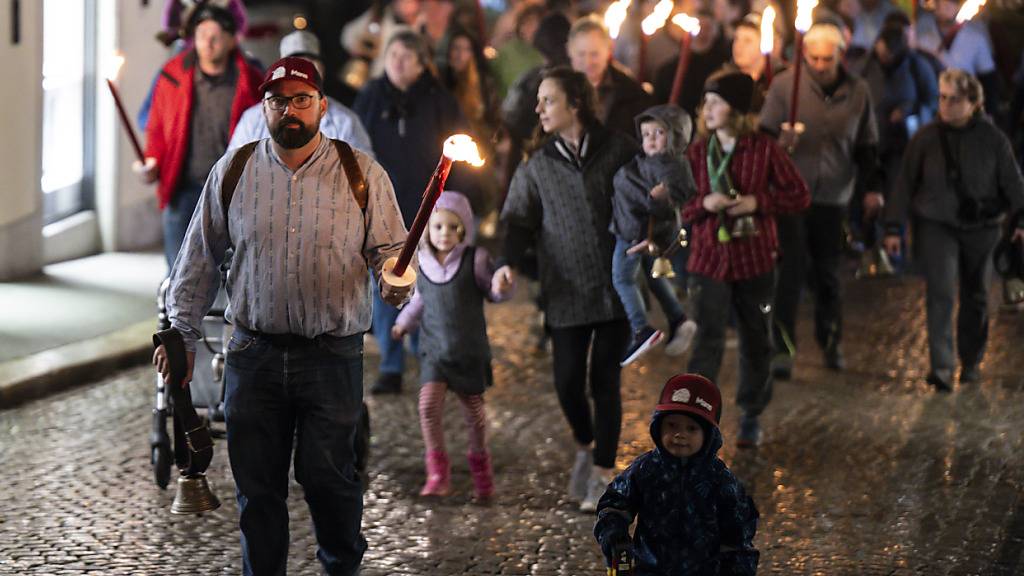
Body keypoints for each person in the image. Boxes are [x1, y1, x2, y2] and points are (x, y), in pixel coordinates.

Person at [152, 57, 412, 576]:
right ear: (262, 107)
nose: (288, 110)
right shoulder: (235, 171)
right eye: (277, 101)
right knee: (258, 490)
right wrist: (179, 333)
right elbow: (197, 260)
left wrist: (396, 278)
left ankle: (341, 566)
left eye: (300, 100)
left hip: (331, 357)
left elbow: (392, 254)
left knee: (330, 480)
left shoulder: (362, 174)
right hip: (253, 356)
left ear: (321, 105)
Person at [495, 67, 636, 513]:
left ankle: (602, 471)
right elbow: (517, 219)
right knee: (568, 381)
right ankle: (584, 440)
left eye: (548, 100)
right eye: (538, 101)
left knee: (605, 381)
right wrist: (507, 263)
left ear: (576, 103)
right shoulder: (536, 165)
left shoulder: (618, 150)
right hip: (566, 288)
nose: (539, 109)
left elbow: (651, 194)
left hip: (616, 286)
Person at [684, 72, 810, 447]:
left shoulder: (764, 149)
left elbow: (799, 195)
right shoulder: (696, 152)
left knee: (756, 336)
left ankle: (751, 411)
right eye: (705, 102)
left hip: (755, 257)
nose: (707, 110)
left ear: (736, 110)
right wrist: (703, 204)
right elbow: (678, 206)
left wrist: (759, 203)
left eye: (716, 103)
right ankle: (696, 415)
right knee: (708, 338)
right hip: (709, 260)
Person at [883, 69, 1024, 392]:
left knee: (975, 293)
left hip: (982, 228)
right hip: (937, 224)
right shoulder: (926, 138)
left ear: (974, 103)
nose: (945, 105)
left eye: (954, 99)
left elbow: (1013, 183)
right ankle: (942, 367)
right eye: (942, 98)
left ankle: (971, 360)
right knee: (941, 292)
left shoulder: (993, 139)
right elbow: (905, 182)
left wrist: (1021, 221)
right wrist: (894, 226)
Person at [758, 22, 882, 379]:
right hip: (790, 195)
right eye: (813, 58)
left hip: (834, 194)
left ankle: (830, 338)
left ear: (840, 55)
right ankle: (782, 347)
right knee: (791, 271)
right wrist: (780, 145)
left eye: (827, 59)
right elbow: (763, 138)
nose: (820, 65)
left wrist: (872, 187)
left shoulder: (858, 91)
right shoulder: (785, 85)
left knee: (828, 272)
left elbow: (866, 145)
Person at [354, 31, 469, 395]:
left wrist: (457, 204)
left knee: (430, 287)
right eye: (393, 54)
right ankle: (391, 363)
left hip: (430, 210)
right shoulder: (371, 97)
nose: (398, 62)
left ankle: (429, 361)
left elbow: (459, 150)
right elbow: (354, 149)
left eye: (407, 56)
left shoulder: (439, 100)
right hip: (382, 210)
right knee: (388, 282)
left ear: (422, 64)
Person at [392, 191, 513, 500]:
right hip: (434, 353)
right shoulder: (422, 264)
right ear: (427, 230)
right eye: (438, 227)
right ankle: (437, 473)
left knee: (474, 416)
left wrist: (500, 287)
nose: (445, 234)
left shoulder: (476, 260)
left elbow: (493, 292)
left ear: (464, 230)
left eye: (452, 227)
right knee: (428, 407)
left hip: (468, 352)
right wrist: (403, 324)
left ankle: (481, 472)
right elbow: (419, 301)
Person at [135, 4, 263, 269]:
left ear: (231, 39)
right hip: (183, 189)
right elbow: (157, 130)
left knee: (232, 273)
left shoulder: (251, 81)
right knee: (180, 273)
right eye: (202, 33)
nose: (208, 42)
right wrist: (152, 163)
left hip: (232, 193)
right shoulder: (172, 75)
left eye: (216, 35)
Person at [593, 373, 760, 575]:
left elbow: (738, 537)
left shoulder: (721, 480)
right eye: (672, 425)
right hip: (649, 569)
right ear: (658, 425)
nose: (680, 434)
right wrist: (615, 536)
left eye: (691, 428)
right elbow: (614, 505)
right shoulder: (645, 469)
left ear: (708, 434)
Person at [610, 104, 699, 366]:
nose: (650, 138)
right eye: (646, 132)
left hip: (636, 232)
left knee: (622, 277)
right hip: (634, 228)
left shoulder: (669, 165)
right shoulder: (653, 162)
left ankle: (641, 328)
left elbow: (675, 194)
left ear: (675, 136)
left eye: (658, 132)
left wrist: (659, 199)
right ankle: (678, 318)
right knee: (653, 276)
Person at [228, 30, 373, 155]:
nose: (300, 75)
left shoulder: (345, 122)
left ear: (321, 71)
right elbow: (231, 171)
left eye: (309, 66)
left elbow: (364, 176)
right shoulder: (252, 120)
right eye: (295, 66)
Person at [567, 15, 654, 140]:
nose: (588, 62)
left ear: (609, 50)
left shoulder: (631, 92)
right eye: (581, 54)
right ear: (570, 52)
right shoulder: (556, 88)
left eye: (594, 54)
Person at [653, 7, 731, 117]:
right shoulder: (669, 70)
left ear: (715, 32)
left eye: (707, 28)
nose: (702, 32)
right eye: (699, 27)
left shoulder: (724, 66)